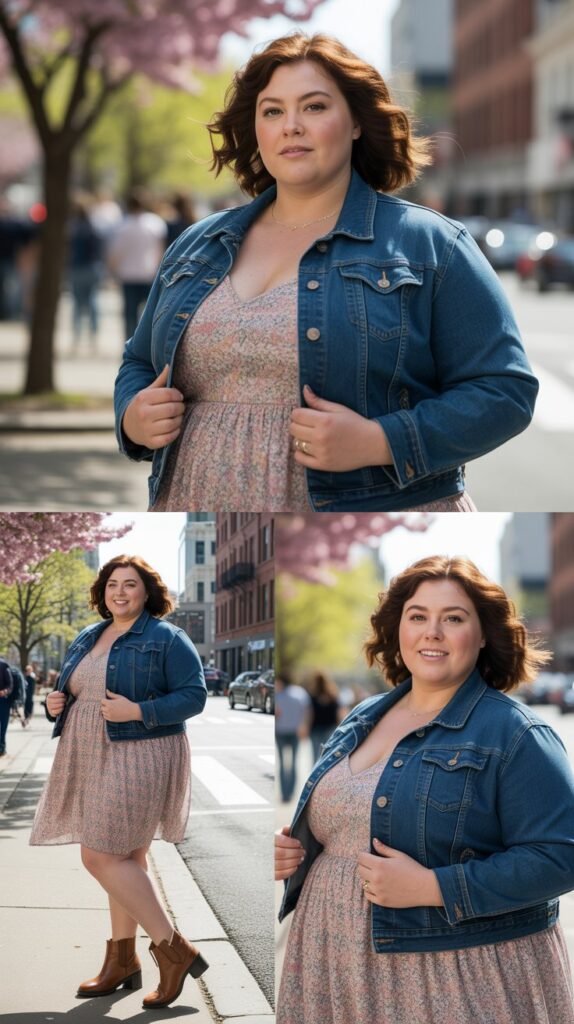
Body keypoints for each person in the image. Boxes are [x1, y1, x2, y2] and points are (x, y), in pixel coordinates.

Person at [114, 32, 537, 514]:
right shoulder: (199, 243)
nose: (291, 126)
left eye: (314, 107)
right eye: (272, 111)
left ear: (356, 122)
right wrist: (132, 415)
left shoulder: (430, 244)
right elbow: (139, 363)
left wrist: (382, 440)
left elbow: (505, 391)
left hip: (363, 506)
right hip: (193, 498)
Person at [275, 556, 574, 1024]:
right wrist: (299, 847)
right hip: (329, 952)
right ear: (398, 628)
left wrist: (435, 887)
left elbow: (561, 857)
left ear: (482, 635)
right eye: (418, 616)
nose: (431, 632)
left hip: (450, 969)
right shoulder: (363, 715)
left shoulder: (516, 734)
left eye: (453, 618)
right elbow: (351, 818)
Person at [29, 555, 208, 1008]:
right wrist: (57, 702)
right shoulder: (89, 634)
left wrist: (139, 711)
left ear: (147, 592)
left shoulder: (167, 637)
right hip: (91, 750)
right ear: (103, 592)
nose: (120, 592)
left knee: (101, 853)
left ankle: (175, 951)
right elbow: (77, 689)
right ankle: (122, 961)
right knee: (127, 856)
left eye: (130, 585)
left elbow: (194, 695)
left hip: (140, 749)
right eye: (112, 584)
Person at [107, 191, 167, 340]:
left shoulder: (121, 226)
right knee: (150, 315)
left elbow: (116, 253)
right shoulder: (155, 223)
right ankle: (148, 344)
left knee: (130, 314)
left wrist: (112, 272)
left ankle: (129, 343)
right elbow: (161, 251)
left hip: (128, 275)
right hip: (149, 273)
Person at [275, 673, 311, 803]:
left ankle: (285, 794)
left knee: (283, 764)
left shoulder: (278, 693)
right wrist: (304, 727)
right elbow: (307, 712)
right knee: (293, 763)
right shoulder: (300, 693)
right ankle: (290, 793)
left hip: (280, 731)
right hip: (295, 731)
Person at [306, 670, 343, 763]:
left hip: (315, 728)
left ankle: (315, 775)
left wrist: (306, 726)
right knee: (328, 755)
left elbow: (310, 714)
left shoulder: (312, 695)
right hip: (330, 727)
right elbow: (339, 712)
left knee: (315, 755)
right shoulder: (333, 695)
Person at [0, 655, 14, 756]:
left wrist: (5, 691)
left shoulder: (3, 666)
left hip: (3, 701)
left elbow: (10, 684)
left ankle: (2, 747)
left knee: (3, 725)